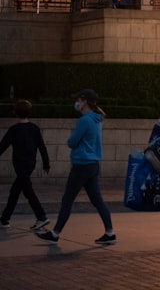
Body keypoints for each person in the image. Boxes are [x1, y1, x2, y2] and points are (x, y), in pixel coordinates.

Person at [35, 89, 115, 245]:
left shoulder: (85, 120)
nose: (77, 102)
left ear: (84, 101)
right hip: (93, 165)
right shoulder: (97, 119)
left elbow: (72, 142)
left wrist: (71, 139)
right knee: (97, 200)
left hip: (81, 165)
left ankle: (55, 233)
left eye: (78, 99)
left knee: (67, 200)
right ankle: (110, 232)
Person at [1, 99, 50, 230]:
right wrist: (46, 163)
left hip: (20, 165)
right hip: (30, 164)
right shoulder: (34, 128)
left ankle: (42, 217)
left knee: (28, 191)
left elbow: (2, 147)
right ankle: (5, 219)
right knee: (15, 191)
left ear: (15, 113)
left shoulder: (14, 130)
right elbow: (42, 147)